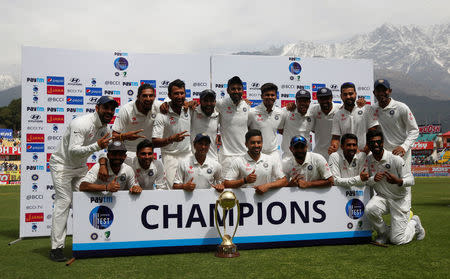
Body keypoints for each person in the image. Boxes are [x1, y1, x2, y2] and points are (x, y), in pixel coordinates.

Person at [49, 96, 118, 262]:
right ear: (97, 108)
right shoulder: (81, 123)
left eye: (112, 109)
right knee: (64, 202)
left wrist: (102, 163)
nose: (109, 111)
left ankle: (89, 242)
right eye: (106, 108)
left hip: (80, 167)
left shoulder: (105, 128)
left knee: (88, 200)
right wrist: (97, 146)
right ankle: (56, 249)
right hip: (62, 166)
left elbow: (104, 150)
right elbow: (73, 150)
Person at [365, 128, 425, 245]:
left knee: (397, 240)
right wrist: (373, 179)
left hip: (399, 199)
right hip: (382, 197)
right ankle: (383, 233)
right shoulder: (368, 160)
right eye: (372, 142)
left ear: (383, 143)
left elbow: (411, 180)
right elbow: (366, 181)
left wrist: (398, 181)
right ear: (368, 144)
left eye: (378, 142)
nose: (376, 144)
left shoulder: (395, 159)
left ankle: (414, 224)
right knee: (370, 210)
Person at [371, 79, 419, 171]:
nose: (381, 93)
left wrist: (404, 146)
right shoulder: (372, 109)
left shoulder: (401, 107)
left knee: (403, 182)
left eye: (384, 90)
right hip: (383, 154)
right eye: (378, 91)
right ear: (374, 92)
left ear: (389, 91)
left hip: (401, 152)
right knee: (385, 182)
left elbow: (414, 130)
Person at [152, 79, 191, 188]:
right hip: (170, 156)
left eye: (182, 93)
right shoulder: (162, 114)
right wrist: (171, 139)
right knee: (173, 189)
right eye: (176, 93)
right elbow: (154, 142)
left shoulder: (188, 109)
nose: (179, 96)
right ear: (169, 95)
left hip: (188, 154)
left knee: (191, 187)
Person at [223, 129, 287, 194]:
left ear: (262, 143)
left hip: (266, 200)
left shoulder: (270, 159)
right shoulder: (238, 161)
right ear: (246, 144)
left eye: (258, 142)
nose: (256, 145)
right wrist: (244, 180)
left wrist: (267, 186)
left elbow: (284, 181)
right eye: (253, 143)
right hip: (245, 202)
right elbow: (226, 183)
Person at [111, 83, 162, 163]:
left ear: (154, 97)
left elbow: (177, 105)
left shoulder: (159, 106)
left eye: (151, 96)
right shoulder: (126, 110)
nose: (148, 99)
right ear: (138, 97)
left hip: (147, 154)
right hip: (129, 152)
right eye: (144, 96)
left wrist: (188, 104)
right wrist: (125, 136)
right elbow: (113, 136)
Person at [330, 82, 379, 153]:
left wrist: (365, 151)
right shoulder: (337, 115)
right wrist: (333, 146)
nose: (348, 97)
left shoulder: (366, 109)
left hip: (366, 154)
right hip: (346, 155)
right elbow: (336, 137)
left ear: (355, 94)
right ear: (341, 96)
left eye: (350, 94)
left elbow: (373, 132)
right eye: (345, 94)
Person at [216, 76, 250, 168]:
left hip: (244, 155)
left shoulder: (247, 106)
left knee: (246, 182)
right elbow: (205, 108)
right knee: (225, 182)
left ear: (243, 90)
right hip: (226, 156)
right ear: (228, 90)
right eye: (233, 89)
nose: (236, 91)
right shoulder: (220, 104)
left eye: (239, 89)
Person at [248, 83, 283, 161]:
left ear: (276, 96)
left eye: (272, 95)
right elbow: (245, 131)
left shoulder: (280, 112)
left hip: (274, 154)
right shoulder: (252, 112)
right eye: (267, 95)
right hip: (256, 154)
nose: (270, 97)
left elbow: (282, 130)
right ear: (262, 96)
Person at [278, 89, 314, 159]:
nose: (303, 103)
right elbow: (280, 130)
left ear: (309, 102)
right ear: (296, 102)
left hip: (307, 156)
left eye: (305, 101)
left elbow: (314, 130)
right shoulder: (287, 112)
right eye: (300, 101)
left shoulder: (312, 115)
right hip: (289, 156)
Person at [309, 87, 340, 160]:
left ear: (332, 98)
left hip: (337, 154)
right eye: (321, 99)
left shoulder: (340, 109)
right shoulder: (314, 110)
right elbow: (312, 129)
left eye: (327, 98)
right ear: (318, 100)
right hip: (318, 154)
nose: (324, 101)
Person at [190, 89, 219, 160]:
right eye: (205, 101)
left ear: (215, 102)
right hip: (194, 159)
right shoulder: (193, 111)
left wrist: (242, 100)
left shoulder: (218, 114)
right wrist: (187, 103)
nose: (209, 103)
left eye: (211, 101)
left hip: (213, 159)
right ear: (200, 102)